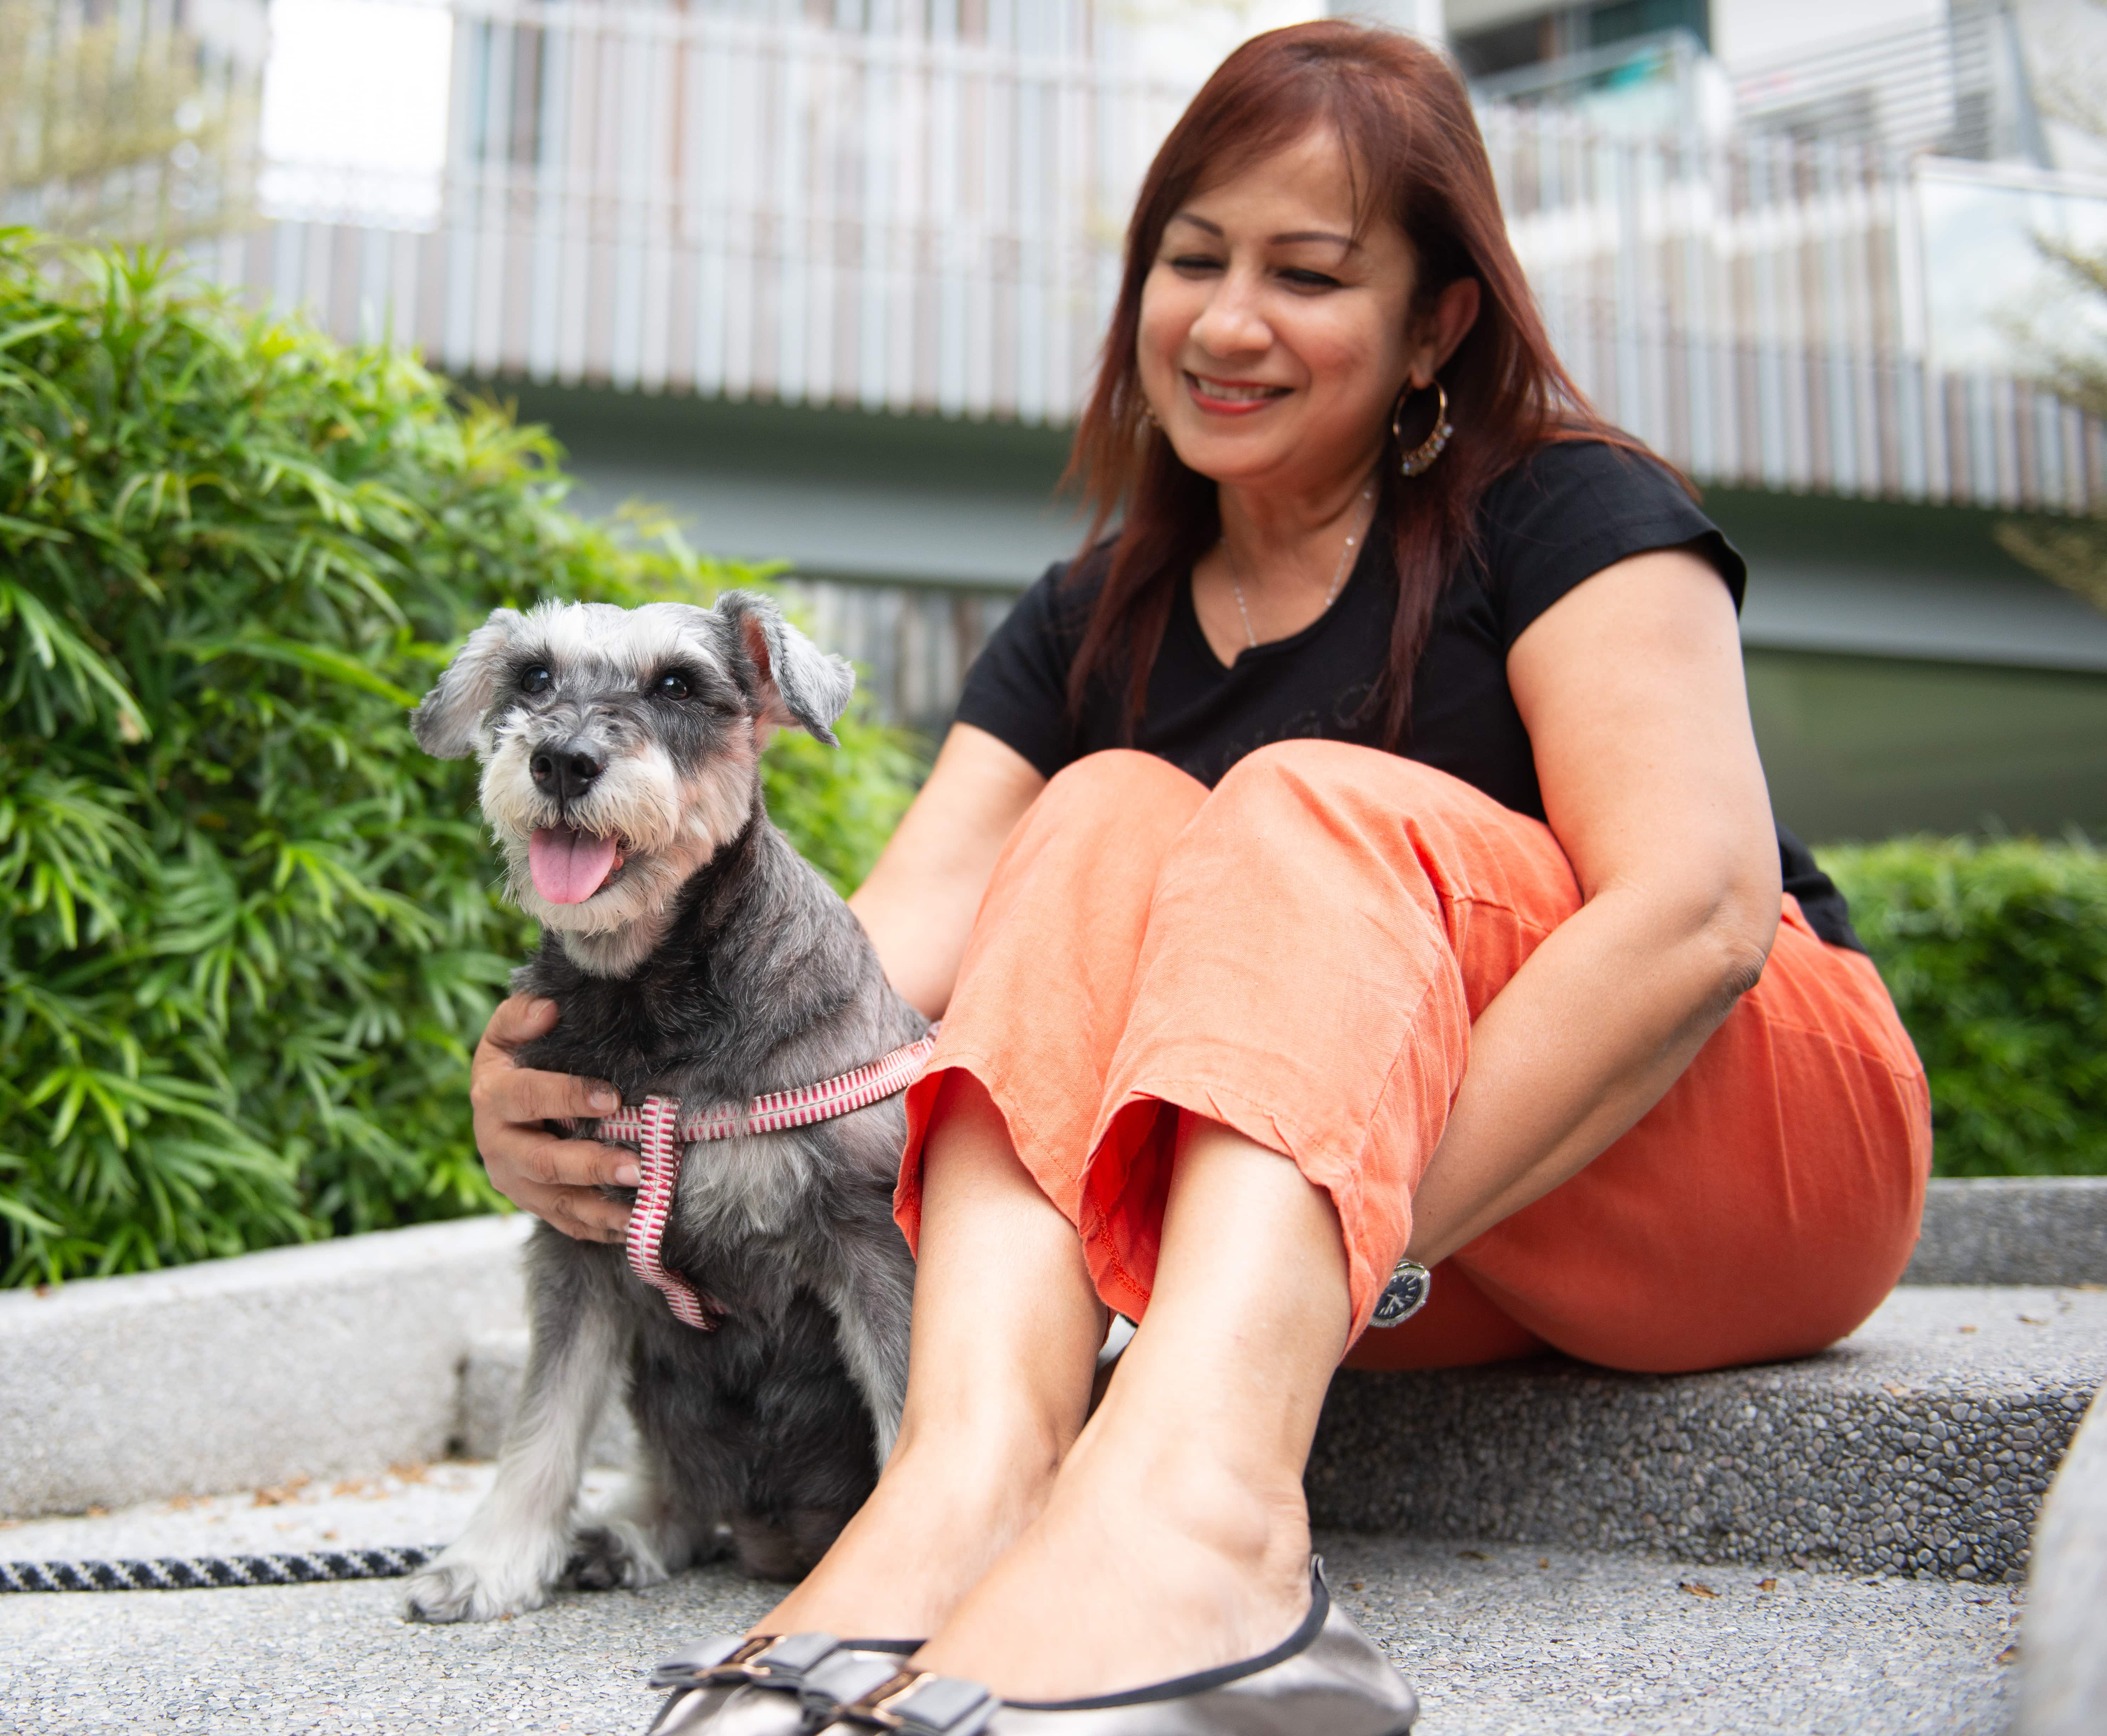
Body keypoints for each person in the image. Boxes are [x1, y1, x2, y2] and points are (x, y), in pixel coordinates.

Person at [467, 19, 1929, 1729]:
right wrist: (588, 1087)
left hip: (1735, 1146)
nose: (1228, 323)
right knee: (1096, 815)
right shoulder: (1092, 617)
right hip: (1375, 1265)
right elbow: (862, 978)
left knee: (1296, 803)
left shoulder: (1567, 510)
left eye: (1307, 273)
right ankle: (973, 1477)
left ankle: (1203, 1519)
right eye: (1190, 258)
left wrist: (1312, 1234)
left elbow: (1691, 922)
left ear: (1433, 322)